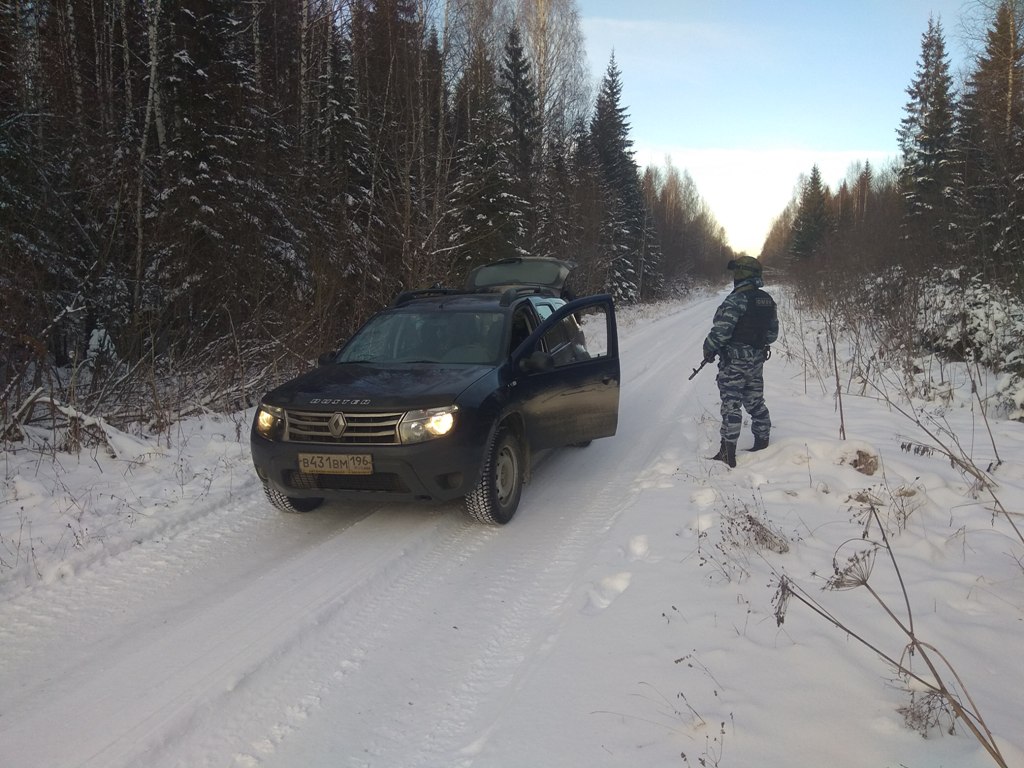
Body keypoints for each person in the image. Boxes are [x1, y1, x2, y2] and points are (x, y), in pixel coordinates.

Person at [701, 255, 778, 468]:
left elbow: (720, 333)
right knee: (755, 402)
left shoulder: (736, 300)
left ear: (741, 275)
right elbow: (772, 335)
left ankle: (728, 453)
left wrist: (708, 348)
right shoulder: (767, 301)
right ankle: (763, 443)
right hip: (756, 362)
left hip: (734, 363)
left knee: (731, 405)